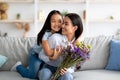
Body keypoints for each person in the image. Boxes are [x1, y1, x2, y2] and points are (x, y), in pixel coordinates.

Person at [11, 10, 63, 79]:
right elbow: (48, 52)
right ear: (49, 22)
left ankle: (33, 67)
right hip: (36, 54)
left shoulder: (62, 34)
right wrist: (58, 53)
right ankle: (18, 66)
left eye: (59, 21)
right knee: (33, 75)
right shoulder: (46, 34)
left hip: (45, 57)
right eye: (53, 21)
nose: (56, 24)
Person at [38, 13, 83, 80]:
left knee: (67, 77)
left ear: (74, 28)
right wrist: (51, 58)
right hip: (49, 67)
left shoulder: (78, 43)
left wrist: (67, 69)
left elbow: (75, 65)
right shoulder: (55, 38)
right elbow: (41, 55)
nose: (62, 26)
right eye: (63, 23)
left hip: (63, 70)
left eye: (66, 24)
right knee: (45, 74)